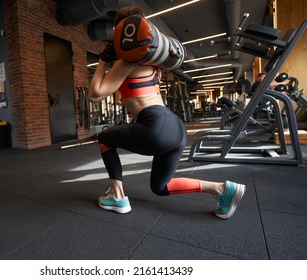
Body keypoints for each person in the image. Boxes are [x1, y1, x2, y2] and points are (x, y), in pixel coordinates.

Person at [88, 6, 245, 219]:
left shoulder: (128, 60)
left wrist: (103, 59)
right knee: (161, 186)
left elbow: (95, 94)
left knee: (105, 138)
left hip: (155, 125)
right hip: (175, 128)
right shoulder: (153, 64)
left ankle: (118, 196)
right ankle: (222, 189)